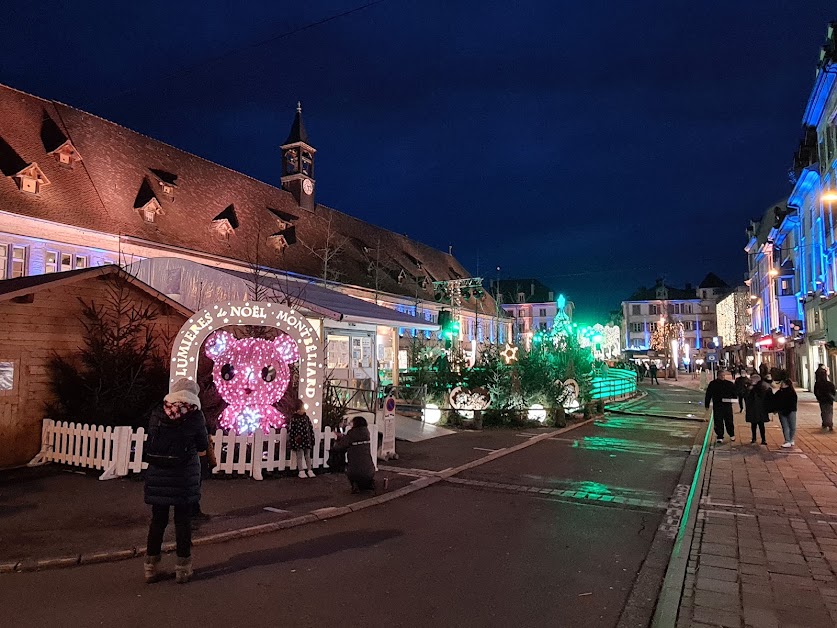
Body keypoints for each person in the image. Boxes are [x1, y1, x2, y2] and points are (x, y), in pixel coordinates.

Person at [143, 378, 208, 584]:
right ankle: (183, 568)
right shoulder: (195, 416)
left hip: (159, 473)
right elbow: (202, 444)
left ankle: (150, 567)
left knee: (158, 521)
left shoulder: (158, 412)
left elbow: (152, 437)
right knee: (183, 522)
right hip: (183, 475)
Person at [332, 415, 376, 493]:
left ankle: (355, 486)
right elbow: (353, 438)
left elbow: (340, 446)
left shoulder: (351, 433)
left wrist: (337, 441)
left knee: (352, 470)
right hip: (370, 470)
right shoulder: (366, 433)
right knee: (365, 468)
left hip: (354, 471)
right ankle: (369, 484)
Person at [705, 369, 737, 444]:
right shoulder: (713, 384)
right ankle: (720, 436)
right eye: (721, 376)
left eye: (723, 375)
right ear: (718, 376)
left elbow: (734, 393)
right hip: (717, 405)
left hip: (727, 405)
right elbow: (708, 394)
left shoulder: (729, 384)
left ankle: (731, 434)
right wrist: (707, 404)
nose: (722, 377)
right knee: (718, 421)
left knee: (729, 420)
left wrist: (733, 398)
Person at [288, 398, 316, 478]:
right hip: (299, 440)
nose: (303, 410)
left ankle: (309, 470)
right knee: (299, 456)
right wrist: (293, 441)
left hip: (307, 440)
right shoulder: (294, 419)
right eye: (301, 409)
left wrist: (312, 438)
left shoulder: (306, 418)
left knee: (307, 455)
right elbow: (292, 431)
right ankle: (301, 470)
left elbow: (310, 428)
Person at [745, 373, 773, 445]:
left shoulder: (762, 387)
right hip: (754, 409)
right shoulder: (750, 387)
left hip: (760, 409)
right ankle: (755, 438)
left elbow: (767, 396)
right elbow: (745, 395)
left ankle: (762, 439)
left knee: (760, 424)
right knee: (755, 424)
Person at [774, 378, 798, 448]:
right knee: (785, 426)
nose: (781, 384)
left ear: (787, 385)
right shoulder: (779, 392)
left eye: (783, 383)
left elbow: (793, 403)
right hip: (782, 411)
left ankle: (791, 439)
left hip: (791, 411)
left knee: (792, 426)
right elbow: (775, 401)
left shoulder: (792, 393)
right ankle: (787, 440)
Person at [814, 365, 836, 432]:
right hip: (829, 400)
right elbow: (833, 391)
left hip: (822, 400)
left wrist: (818, 397)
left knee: (823, 411)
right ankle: (829, 424)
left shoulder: (818, 384)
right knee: (829, 412)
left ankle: (825, 423)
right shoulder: (829, 384)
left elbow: (816, 392)